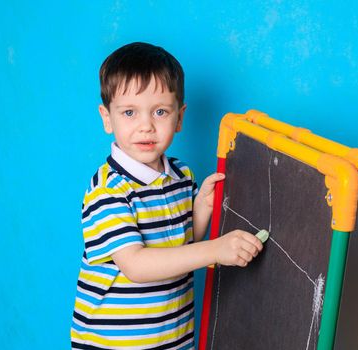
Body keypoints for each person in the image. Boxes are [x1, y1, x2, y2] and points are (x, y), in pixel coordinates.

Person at [71, 42, 263, 350]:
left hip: (171, 339)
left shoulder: (181, 175)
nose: (146, 126)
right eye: (129, 112)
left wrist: (200, 209)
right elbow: (137, 266)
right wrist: (215, 250)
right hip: (115, 344)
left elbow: (182, 243)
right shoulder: (109, 190)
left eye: (160, 111)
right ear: (107, 118)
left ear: (179, 117)